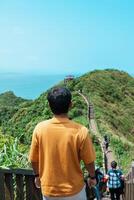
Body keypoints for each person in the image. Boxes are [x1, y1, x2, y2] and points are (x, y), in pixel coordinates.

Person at [29, 87, 96, 200]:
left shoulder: (39, 129)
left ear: (50, 106)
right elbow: (89, 161)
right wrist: (92, 177)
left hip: (49, 191)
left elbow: (34, 159)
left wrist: (37, 176)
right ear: (70, 105)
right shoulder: (81, 131)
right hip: (75, 191)